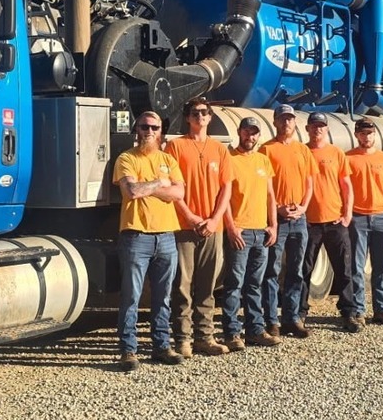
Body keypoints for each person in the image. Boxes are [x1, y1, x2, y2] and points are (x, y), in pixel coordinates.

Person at [113, 111, 186, 371]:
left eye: (154, 127)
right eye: (144, 126)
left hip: (166, 237)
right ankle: (128, 351)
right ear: (136, 129)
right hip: (136, 236)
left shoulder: (168, 159)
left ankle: (161, 346)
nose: (149, 131)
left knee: (163, 297)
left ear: (161, 132)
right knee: (131, 297)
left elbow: (179, 192)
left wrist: (150, 188)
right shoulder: (126, 159)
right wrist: (158, 184)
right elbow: (131, 191)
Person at [165, 98, 233, 357]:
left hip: (212, 228)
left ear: (210, 117)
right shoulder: (175, 147)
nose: (200, 116)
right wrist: (191, 217)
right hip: (184, 226)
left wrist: (216, 220)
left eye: (204, 112)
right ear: (187, 117)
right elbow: (171, 186)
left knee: (208, 285)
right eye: (195, 113)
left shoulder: (219, 149)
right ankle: (183, 339)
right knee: (182, 285)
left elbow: (226, 188)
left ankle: (205, 337)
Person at [221, 116, 282, 351]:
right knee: (234, 283)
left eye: (254, 133)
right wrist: (231, 227)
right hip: (241, 231)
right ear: (239, 132)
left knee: (254, 284)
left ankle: (255, 330)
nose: (251, 136)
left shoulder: (263, 161)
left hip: (261, 232)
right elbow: (224, 197)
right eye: (247, 132)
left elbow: (270, 195)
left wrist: (273, 225)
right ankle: (231, 332)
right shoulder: (230, 159)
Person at [300, 111, 362, 333]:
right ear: (307, 129)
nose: (317, 129)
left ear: (327, 129)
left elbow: (346, 186)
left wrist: (347, 215)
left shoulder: (336, 153)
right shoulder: (301, 152)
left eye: (321, 126)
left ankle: (349, 313)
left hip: (335, 222)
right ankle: (300, 314)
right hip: (309, 223)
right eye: (314, 126)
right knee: (304, 269)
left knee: (344, 270)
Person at [259, 105, 317, 339]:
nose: (286, 123)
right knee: (272, 270)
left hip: (299, 219)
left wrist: (303, 207)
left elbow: (310, 182)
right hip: (278, 219)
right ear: (274, 122)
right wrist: (278, 210)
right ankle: (271, 320)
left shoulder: (303, 151)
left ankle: (292, 318)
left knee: (296, 270)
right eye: (282, 119)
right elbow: (263, 185)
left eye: (290, 119)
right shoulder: (266, 150)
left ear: (295, 123)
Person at [347, 118, 383, 325]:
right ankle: (359, 310)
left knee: (382, 266)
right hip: (357, 217)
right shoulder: (348, 158)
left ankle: (381, 310)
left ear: (374, 135)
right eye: (362, 133)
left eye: (369, 133)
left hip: (381, 218)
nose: (366, 137)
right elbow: (344, 189)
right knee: (357, 268)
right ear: (356, 134)